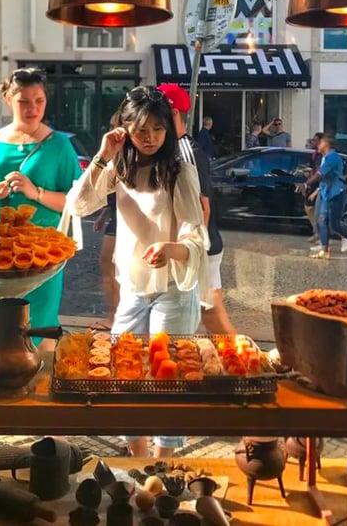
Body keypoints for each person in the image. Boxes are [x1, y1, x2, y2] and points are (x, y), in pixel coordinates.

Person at [66, 86, 210, 458]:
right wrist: (102, 155)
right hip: (132, 286)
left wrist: (171, 249)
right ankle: (138, 461)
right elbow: (78, 205)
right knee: (124, 372)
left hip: (173, 287)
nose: (150, 138)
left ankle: (163, 466)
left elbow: (195, 232)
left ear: (168, 131)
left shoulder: (180, 170)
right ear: (125, 128)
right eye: (141, 129)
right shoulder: (119, 166)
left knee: (167, 375)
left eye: (158, 130)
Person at [0, 68, 82, 350]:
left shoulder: (59, 145)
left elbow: (76, 200)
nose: (33, 108)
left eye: (39, 100)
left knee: (38, 322)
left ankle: (39, 386)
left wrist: (34, 192)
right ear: (8, 99)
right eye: (24, 101)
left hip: (42, 253)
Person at [158, 83, 236, 335]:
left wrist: (191, 249)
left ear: (173, 113)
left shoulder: (186, 151)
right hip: (195, 246)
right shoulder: (174, 148)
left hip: (201, 247)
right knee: (208, 311)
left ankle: (244, 362)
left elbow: (202, 206)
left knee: (210, 312)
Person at [302, 134, 347, 260]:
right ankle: (325, 250)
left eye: (320, 143)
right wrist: (318, 190)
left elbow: (320, 175)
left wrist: (306, 183)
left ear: (326, 144)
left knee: (335, 224)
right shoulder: (325, 158)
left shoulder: (333, 158)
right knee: (321, 221)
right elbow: (324, 178)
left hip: (336, 193)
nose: (317, 145)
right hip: (326, 193)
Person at [92, 192, 119, 329]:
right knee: (110, 266)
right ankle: (115, 316)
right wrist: (104, 214)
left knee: (109, 266)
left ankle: (114, 317)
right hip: (120, 214)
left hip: (123, 217)